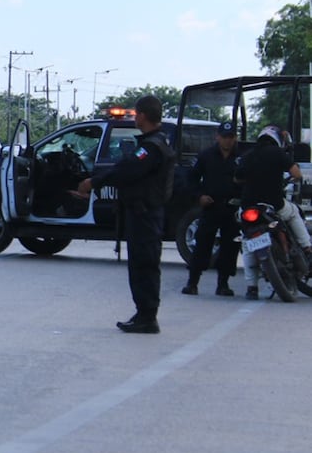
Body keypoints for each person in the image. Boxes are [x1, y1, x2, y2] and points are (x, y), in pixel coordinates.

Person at [75, 95, 174, 334]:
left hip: (145, 215)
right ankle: (144, 314)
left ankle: (147, 317)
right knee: (142, 265)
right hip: (144, 213)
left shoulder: (151, 147)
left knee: (144, 266)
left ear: (141, 115)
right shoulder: (157, 142)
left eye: (136, 114)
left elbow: (127, 170)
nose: (134, 118)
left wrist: (94, 181)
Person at [234, 125, 312, 300]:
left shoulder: (247, 156)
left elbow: (237, 178)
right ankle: (307, 248)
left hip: (249, 208)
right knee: (293, 213)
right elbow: (296, 174)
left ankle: (252, 287)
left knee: (247, 242)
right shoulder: (278, 154)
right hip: (274, 206)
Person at [181, 121, 241, 297]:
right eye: (224, 137)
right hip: (211, 206)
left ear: (235, 138)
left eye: (231, 137)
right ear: (218, 137)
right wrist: (199, 196)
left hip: (232, 208)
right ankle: (192, 282)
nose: (227, 141)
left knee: (230, 247)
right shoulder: (206, 156)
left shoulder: (241, 158)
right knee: (202, 244)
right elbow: (191, 179)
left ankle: (223, 284)